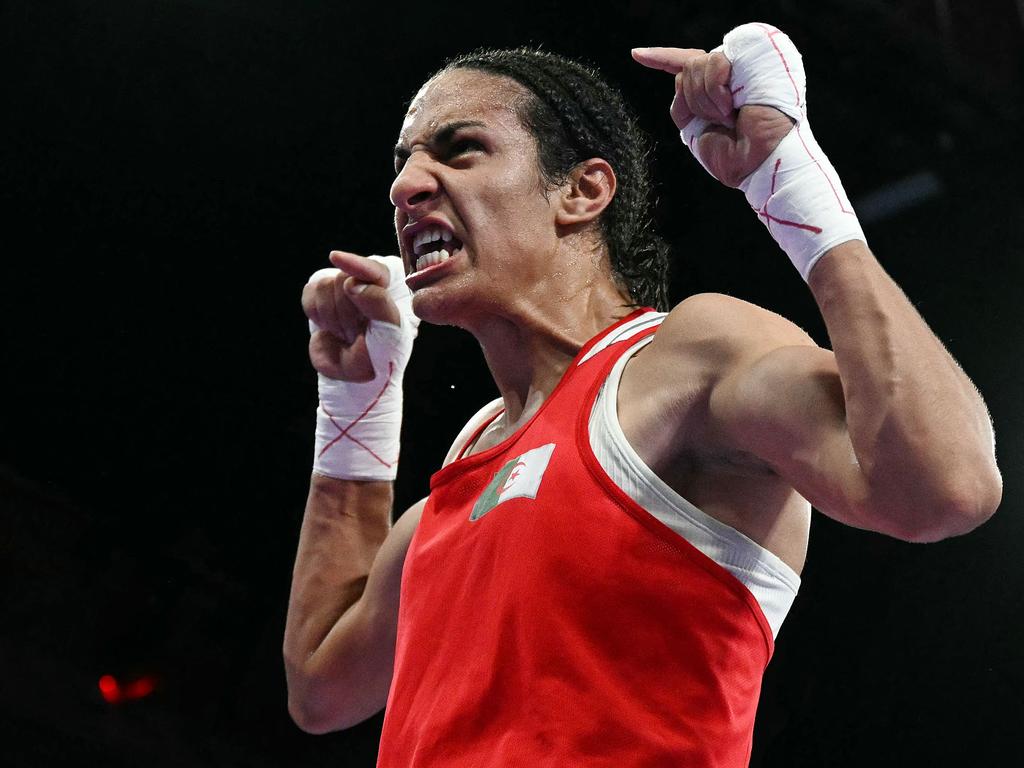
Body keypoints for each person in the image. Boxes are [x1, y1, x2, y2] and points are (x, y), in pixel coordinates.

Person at [283, 23, 1002, 767]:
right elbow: (322, 686)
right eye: (403, 163)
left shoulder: (686, 361)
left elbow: (945, 488)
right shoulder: (476, 451)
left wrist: (788, 176)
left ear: (582, 191)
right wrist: (356, 401)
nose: (405, 186)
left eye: (460, 150)